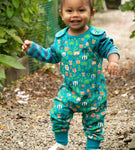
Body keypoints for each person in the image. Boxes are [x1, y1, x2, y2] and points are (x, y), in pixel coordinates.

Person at [22, 0, 120, 149]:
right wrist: (33, 48)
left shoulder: (96, 37)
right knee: (58, 112)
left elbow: (110, 48)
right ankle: (61, 143)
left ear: (91, 13)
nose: (75, 15)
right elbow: (51, 55)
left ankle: (92, 147)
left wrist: (113, 61)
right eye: (69, 11)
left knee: (94, 122)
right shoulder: (61, 39)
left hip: (93, 92)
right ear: (61, 14)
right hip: (69, 90)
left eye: (81, 10)